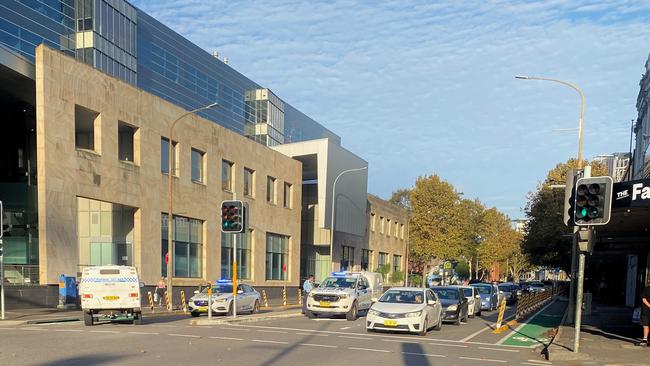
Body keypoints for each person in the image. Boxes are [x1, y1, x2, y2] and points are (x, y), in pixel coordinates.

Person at [638, 279, 650, 347]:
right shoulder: (645, 289)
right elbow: (644, 299)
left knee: (646, 324)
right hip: (646, 310)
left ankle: (646, 339)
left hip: (646, 310)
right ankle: (645, 339)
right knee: (645, 324)